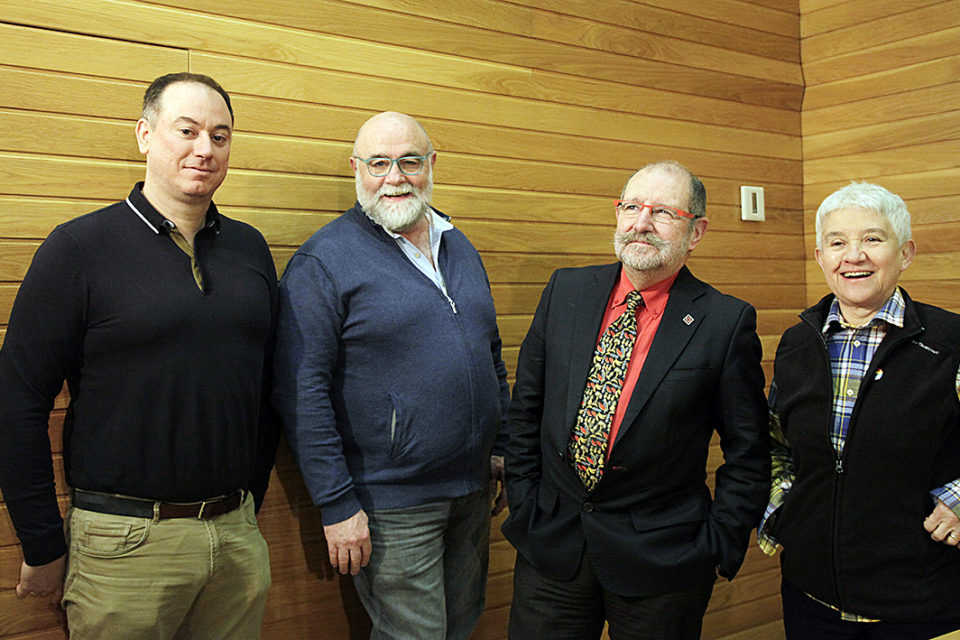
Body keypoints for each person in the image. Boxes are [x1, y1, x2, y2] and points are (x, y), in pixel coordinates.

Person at [0, 73, 279, 639]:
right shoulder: (79, 248)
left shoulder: (250, 249)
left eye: (221, 136)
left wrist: (248, 502)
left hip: (235, 537)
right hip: (124, 544)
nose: (205, 149)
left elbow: (267, 383)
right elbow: (17, 400)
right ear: (145, 135)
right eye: (188, 130)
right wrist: (41, 540)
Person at [502, 160, 770, 639]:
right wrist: (526, 505)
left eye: (663, 212)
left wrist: (717, 544)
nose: (641, 222)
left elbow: (748, 452)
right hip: (554, 547)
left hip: (663, 561)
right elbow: (526, 411)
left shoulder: (724, 324)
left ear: (696, 231)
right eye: (631, 206)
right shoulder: (566, 291)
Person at [272, 111, 510, 640]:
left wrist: (502, 448)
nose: (394, 177)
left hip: (472, 492)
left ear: (431, 164)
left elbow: (488, 352)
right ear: (357, 168)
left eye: (408, 161)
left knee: (459, 627)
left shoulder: (458, 244)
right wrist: (336, 504)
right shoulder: (324, 260)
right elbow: (301, 393)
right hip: (391, 504)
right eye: (379, 163)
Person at [759, 182, 960, 639]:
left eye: (872, 239)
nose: (854, 256)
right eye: (837, 242)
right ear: (819, 257)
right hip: (812, 602)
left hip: (925, 607)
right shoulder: (797, 343)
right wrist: (784, 514)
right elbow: (775, 445)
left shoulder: (950, 342)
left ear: (905, 253)